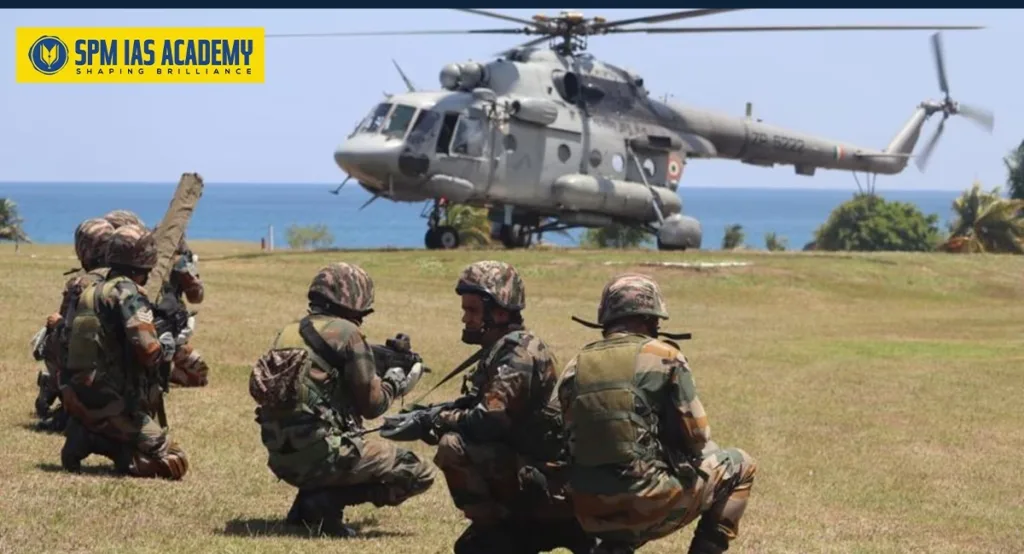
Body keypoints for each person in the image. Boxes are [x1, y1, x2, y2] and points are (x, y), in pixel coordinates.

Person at [554, 273, 757, 554]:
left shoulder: (574, 366)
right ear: (650, 319)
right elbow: (699, 438)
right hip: (645, 502)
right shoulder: (665, 356)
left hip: (589, 510)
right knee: (740, 465)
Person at [248, 262, 434, 538]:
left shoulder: (289, 331)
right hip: (322, 456)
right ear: (354, 301)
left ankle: (306, 506)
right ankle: (326, 503)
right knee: (418, 472)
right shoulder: (348, 334)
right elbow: (372, 407)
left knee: (319, 432)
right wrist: (395, 382)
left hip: (281, 457)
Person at [427, 260, 594, 554]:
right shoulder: (501, 350)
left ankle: (510, 526)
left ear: (500, 312)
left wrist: (437, 419)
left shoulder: (518, 353)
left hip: (553, 486)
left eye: (473, 311)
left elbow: (488, 421)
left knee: (452, 446)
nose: (465, 319)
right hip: (535, 473)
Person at [59, 223, 189, 479]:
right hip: (116, 404)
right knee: (174, 461)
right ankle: (103, 443)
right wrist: (167, 344)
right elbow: (149, 352)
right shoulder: (127, 293)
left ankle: (86, 430)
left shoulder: (91, 290)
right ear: (146, 261)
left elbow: (64, 340)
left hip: (80, 396)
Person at [32, 217, 114, 432]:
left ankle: (57, 391)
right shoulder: (129, 279)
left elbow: (69, 332)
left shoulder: (81, 284)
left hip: (92, 368)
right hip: (122, 371)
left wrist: (55, 325)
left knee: (50, 338)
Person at [152, 229, 210, 387]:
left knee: (198, 375)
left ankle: (158, 374)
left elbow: (196, 297)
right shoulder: (173, 262)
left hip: (162, 331)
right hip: (154, 330)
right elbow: (197, 297)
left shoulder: (177, 261)